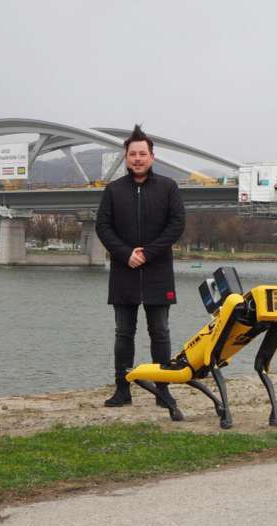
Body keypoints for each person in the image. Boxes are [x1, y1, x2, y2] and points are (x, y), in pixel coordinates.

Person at [95, 125, 186, 409]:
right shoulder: (113, 190)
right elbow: (103, 227)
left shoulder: (168, 187)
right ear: (125, 157)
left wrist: (147, 253)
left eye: (142, 153)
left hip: (158, 272)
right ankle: (123, 389)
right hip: (124, 273)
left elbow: (176, 225)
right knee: (124, 333)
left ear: (152, 157)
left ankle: (163, 389)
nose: (137, 158)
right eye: (132, 153)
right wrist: (124, 254)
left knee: (160, 332)